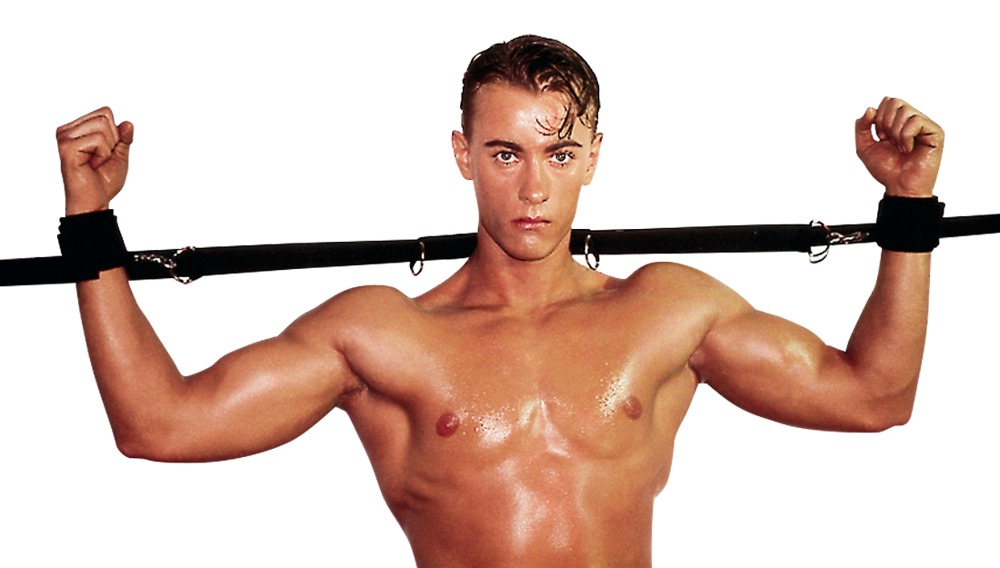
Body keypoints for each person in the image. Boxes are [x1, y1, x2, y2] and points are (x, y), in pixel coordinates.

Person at [55, 35, 943, 567]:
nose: (533, 189)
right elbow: (159, 425)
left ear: (594, 158)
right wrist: (92, 224)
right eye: (507, 153)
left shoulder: (669, 313)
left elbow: (875, 398)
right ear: (464, 154)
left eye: (560, 155)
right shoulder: (382, 335)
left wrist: (908, 207)